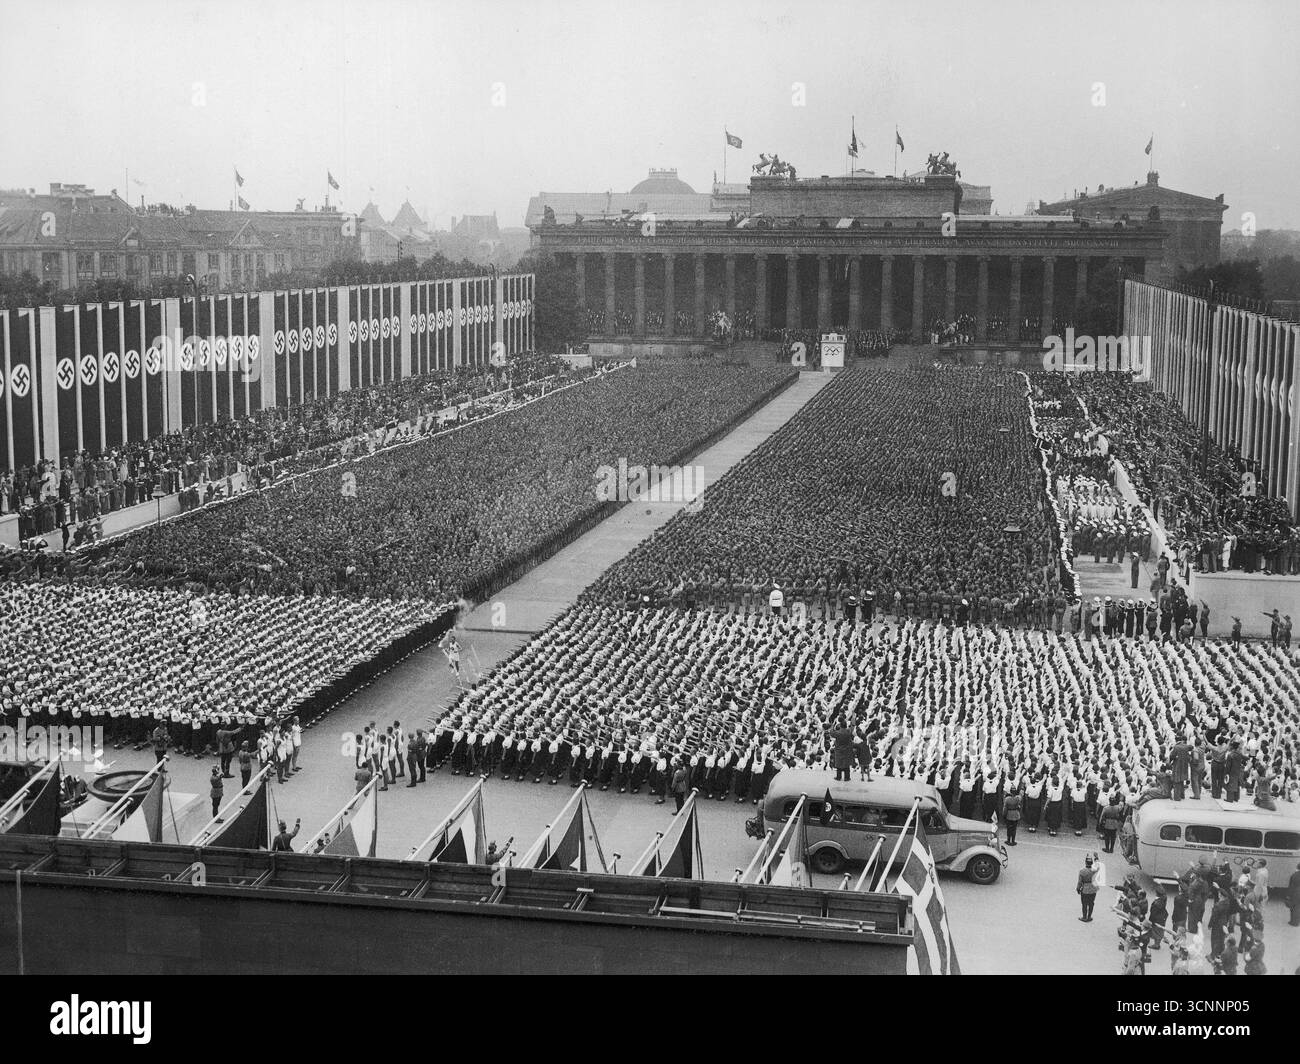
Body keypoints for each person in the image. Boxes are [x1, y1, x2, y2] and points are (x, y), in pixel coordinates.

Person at [1077, 854, 1099, 922]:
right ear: (1092, 863)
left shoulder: (1082, 871)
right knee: (1091, 903)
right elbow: (1098, 865)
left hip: (1085, 889)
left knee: (1084, 904)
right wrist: (1096, 857)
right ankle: (1089, 917)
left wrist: (1078, 889)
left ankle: (1084, 917)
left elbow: (1080, 882)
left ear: (1085, 862)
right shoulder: (1095, 870)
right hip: (1093, 889)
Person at [1289, 861, 1300, 927]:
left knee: (1295, 907)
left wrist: (1288, 895)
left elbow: (1291, 886)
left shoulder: (1295, 875)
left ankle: (1294, 922)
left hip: (1296, 893)